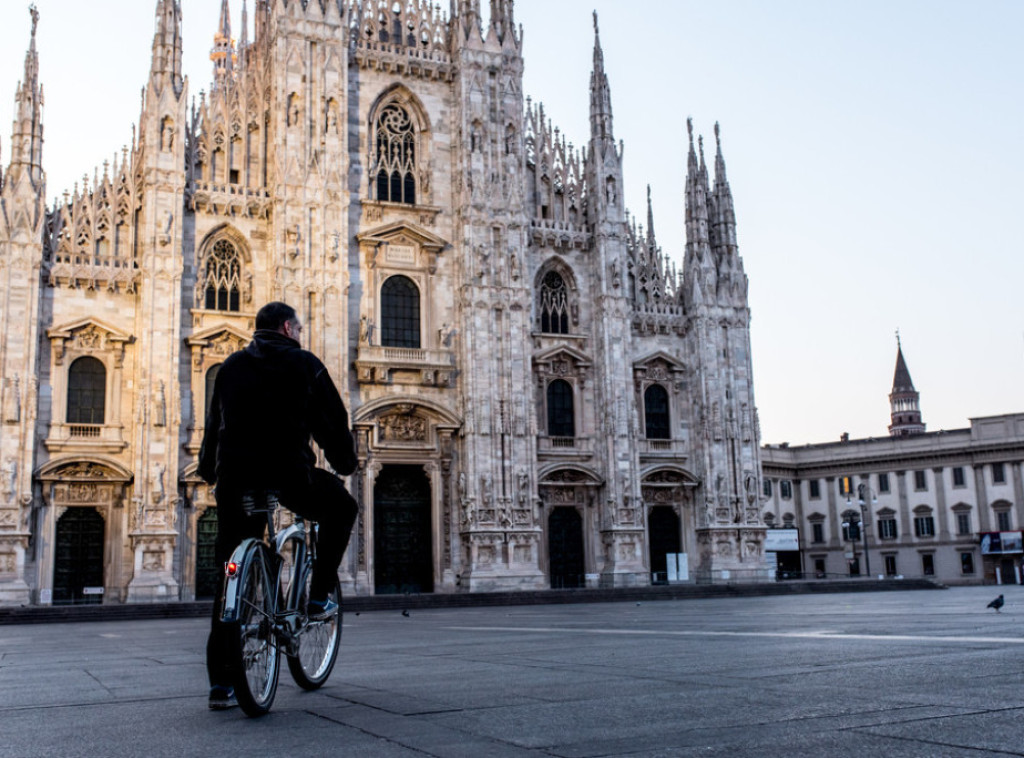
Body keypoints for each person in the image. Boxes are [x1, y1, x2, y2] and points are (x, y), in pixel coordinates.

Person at [199, 301, 358, 710]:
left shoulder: (230, 366)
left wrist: (208, 470)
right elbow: (332, 424)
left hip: (235, 479)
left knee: (227, 578)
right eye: (299, 328)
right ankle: (320, 595)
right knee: (341, 509)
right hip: (289, 476)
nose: (301, 333)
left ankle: (222, 686)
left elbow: (214, 426)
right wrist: (344, 463)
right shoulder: (304, 364)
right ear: (288, 328)